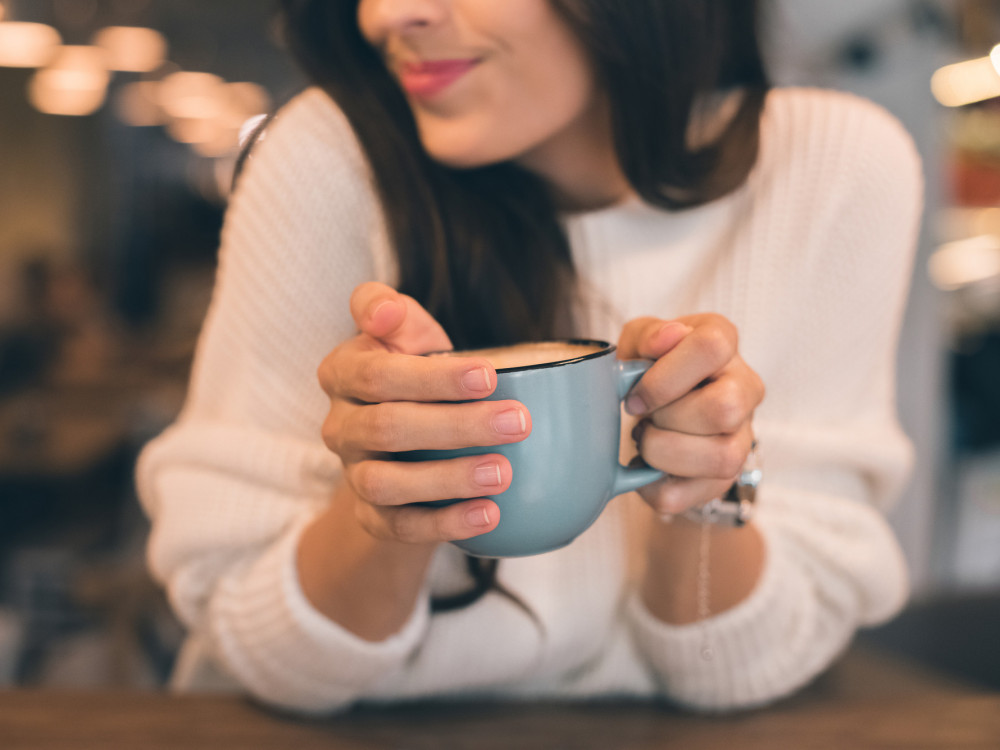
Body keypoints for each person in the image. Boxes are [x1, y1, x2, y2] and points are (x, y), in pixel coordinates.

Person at [136, 0, 922, 714]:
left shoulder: (835, 166)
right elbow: (268, 660)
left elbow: (739, 668)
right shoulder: (329, 155)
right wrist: (388, 503)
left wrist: (703, 484)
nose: (389, 15)